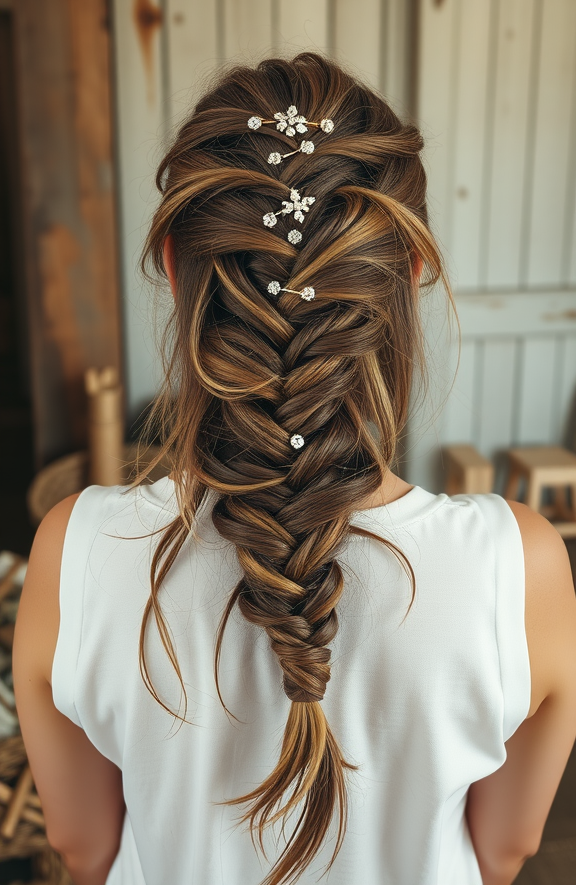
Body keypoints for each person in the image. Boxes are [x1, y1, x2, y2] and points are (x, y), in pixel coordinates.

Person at [13, 53, 576, 885]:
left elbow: (81, 847)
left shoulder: (75, 552)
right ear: (411, 274)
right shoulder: (518, 567)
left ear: (172, 266)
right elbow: (504, 852)